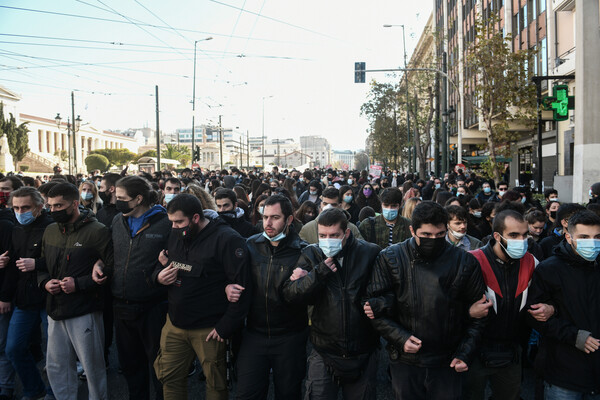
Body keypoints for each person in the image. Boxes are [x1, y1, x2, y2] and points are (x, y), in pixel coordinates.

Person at [365, 201, 486, 399]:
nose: (434, 240)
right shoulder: (390, 258)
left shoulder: (464, 262)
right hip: (406, 360)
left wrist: (465, 353)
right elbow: (373, 308)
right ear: (413, 230)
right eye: (427, 235)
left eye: (440, 235)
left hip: (447, 360)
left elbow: (480, 314)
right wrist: (400, 337)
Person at [153, 194, 251, 400]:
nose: (174, 227)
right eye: (171, 222)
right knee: (169, 379)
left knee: (216, 386)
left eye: (179, 222)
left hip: (210, 329)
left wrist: (225, 326)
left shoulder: (227, 239)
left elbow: (243, 289)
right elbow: (162, 264)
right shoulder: (175, 233)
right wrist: (158, 276)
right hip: (175, 325)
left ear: (196, 217)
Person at [283, 208, 381, 400]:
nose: (328, 240)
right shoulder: (311, 254)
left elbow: (385, 292)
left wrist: (378, 304)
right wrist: (317, 274)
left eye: (334, 235)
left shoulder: (369, 253)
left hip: (362, 349)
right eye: (322, 235)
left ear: (347, 233)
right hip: (324, 349)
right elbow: (291, 294)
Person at [37, 182, 113, 400]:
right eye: (50, 206)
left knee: (92, 367)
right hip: (55, 308)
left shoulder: (97, 231)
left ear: (75, 204)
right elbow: (43, 264)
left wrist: (79, 284)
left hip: (85, 309)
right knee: (56, 366)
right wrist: (45, 283)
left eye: (59, 205)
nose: (53, 210)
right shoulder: (50, 230)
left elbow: (111, 267)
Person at [464, 210, 548, 400]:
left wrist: (550, 308)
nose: (521, 240)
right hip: (475, 349)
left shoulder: (532, 262)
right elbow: (450, 304)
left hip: (512, 350)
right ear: (497, 236)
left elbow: (548, 298)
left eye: (524, 234)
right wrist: (467, 311)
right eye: (513, 235)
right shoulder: (472, 260)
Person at [99, 175, 170, 400]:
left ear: (138, 199)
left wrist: (158, 276)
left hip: (154, 307)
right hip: (121, 305)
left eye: (121, 197)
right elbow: (110, 253)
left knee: (159, 368)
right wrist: (99, 263)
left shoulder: (166, 223)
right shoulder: (118, 221)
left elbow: (175, 260)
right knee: (131, 367)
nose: (116, 201)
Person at [233, 195, 309, 400]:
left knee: (288, 393)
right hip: (254, 335)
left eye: (275, 217)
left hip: (290, 337)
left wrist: (308, 280)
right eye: (265, 216)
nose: (268, 222)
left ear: (289, 220)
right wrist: (228, 287)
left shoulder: (304, 251)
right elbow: (234, 277)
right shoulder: (249, 245)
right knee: (247, 393)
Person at [526, 210, 600, 399]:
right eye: (584, 237)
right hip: (564, 372)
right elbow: (536, 317)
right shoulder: (550, 269)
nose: (592, 243)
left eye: (597, 237)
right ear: (568, 237)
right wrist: (574, 336)